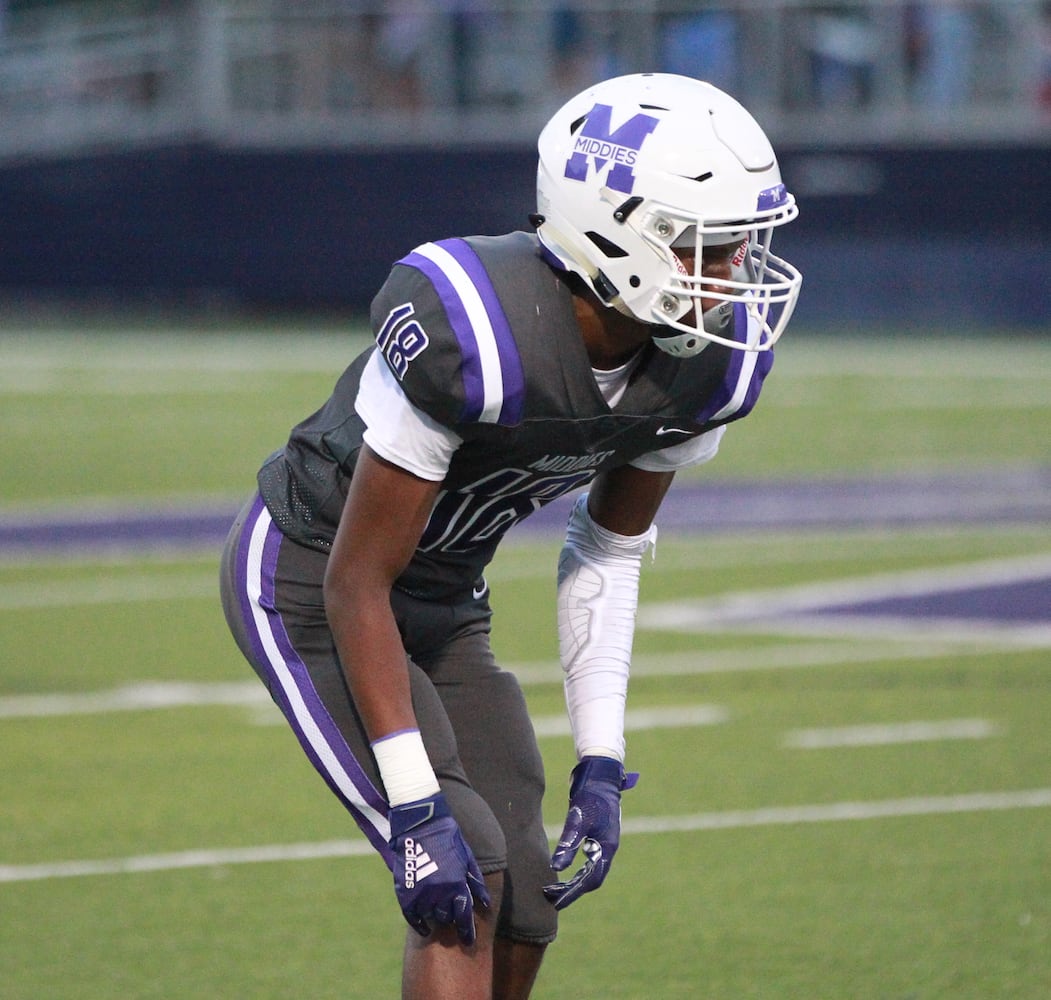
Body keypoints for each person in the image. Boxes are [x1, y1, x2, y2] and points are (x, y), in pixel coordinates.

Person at [219, 72, 801, 1000]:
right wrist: (414, 805)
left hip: (444, 598)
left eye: (741, 248)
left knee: (528, 894)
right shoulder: (476, 327)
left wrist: (600, 761)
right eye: (710, 245)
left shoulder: (706, 371)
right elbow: (354, 583)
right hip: (309, 579)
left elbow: (606, 551)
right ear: (613, 233)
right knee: (463, 876)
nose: (732, 276)